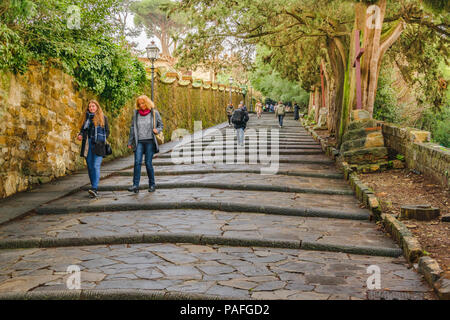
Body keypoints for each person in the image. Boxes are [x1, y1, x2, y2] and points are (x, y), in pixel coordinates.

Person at [127, 95, 164, 194]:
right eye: (139, 104)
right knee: (137, 162)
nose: (141, 105)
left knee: (148, 163)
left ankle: (152, 185)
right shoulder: (136, 114)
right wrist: (130, 142)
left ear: (147, 103)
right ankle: (135, 185)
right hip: (139, 141)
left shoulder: (154, 113)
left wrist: (157, 130)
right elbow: (132, 128)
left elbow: (161, 125)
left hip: (150, 141)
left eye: (143, 103)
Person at [77, 100, 110, 198]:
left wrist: (101, 140)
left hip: (98, 145)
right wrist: (80, 135)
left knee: (95, 166)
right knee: (90, 167)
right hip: (88, 144)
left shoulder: (103, 118)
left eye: (93, 106)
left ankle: (94, 188)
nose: (91, 108)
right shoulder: (86, 119)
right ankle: (93, 187)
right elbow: (82, 131)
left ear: (97, 107)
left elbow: (107, 132)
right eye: (90, 107)